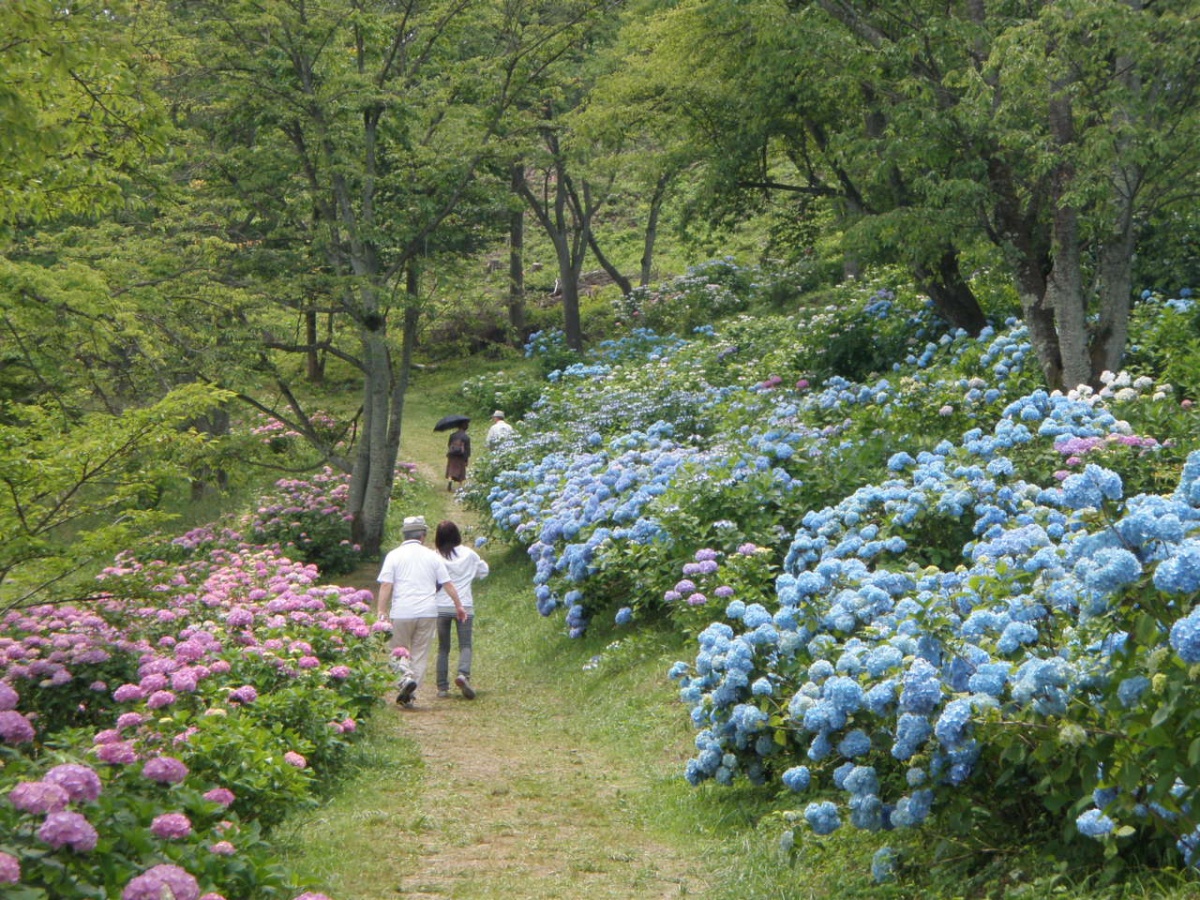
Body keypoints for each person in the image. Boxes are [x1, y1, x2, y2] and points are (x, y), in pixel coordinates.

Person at [376, 515, 466, 708]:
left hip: (401, 611)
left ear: (404, 534)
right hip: (427, 611)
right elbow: (447, 583)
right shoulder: (432, 556)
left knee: (398, 651)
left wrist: (381, 611)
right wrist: (459, 605)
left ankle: (405, 679)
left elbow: (386, 585)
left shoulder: (393, 555)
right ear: (423, 536)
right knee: (420, 653)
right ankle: (412, 692)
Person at [433, 521, 490, 700]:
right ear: (457, 535)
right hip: (464, 605)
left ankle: (442, 687)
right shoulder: (469, 554)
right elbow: (484, 571)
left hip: (440, 606)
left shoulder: (435, 556)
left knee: (443, 648)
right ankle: (463, 675)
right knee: (465, 644)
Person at [445, 424, 471, 491]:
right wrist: (466, 459)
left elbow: (449, 445)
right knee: (461, 470)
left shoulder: (452, 435)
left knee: (451, 468)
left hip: (452, 455)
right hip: (461, 456)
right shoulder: (466, 437)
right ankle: (460, 486)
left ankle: (450, 481)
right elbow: (467, 449)